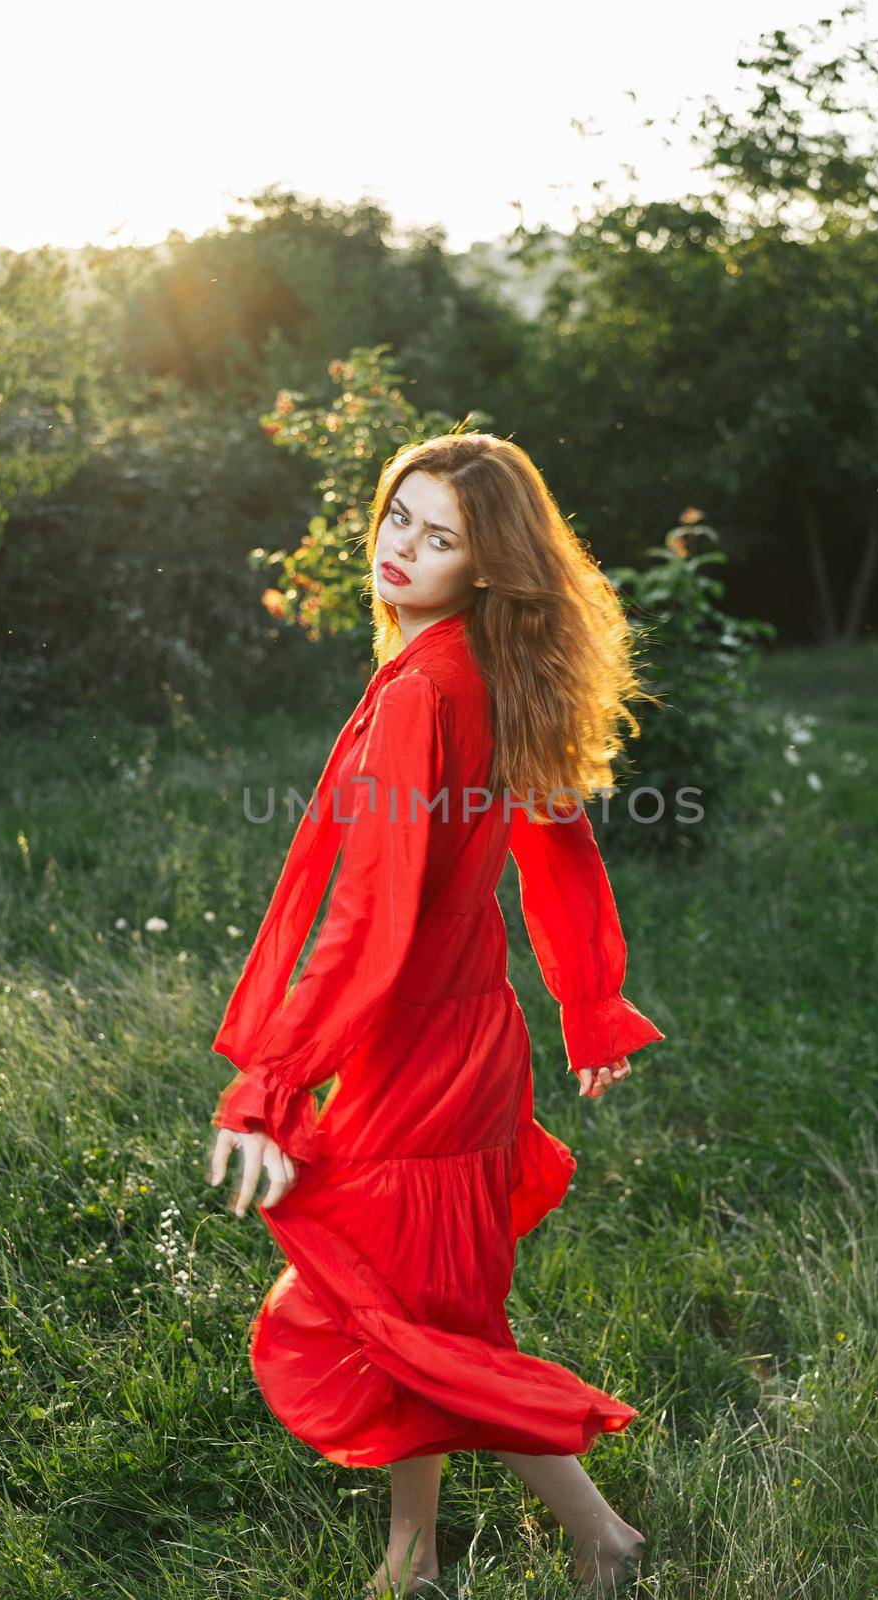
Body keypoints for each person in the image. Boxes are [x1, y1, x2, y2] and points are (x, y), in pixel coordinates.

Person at [207, 432, 666, 1596]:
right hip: (464, 1033)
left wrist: (269, 1081)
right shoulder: (482, 664)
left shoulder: (427, 686)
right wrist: (586, 1001)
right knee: (418, 1297)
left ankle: (601, 1532)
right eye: (396, 517)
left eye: (439, 535)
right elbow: (554, 841)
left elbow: (370, 920)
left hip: (421, 1040)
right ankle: (410, 1556)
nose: (401, 549)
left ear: (486, 561)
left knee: (400, 1312)